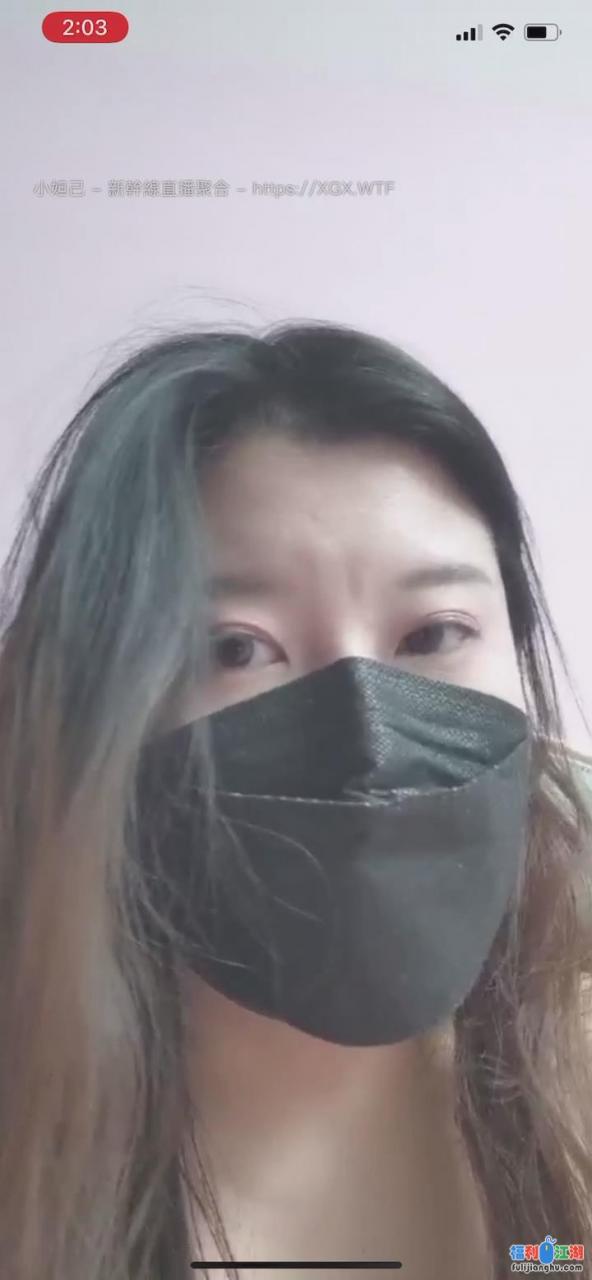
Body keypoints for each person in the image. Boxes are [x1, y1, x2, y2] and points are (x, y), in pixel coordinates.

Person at [0, 321, 591, 1280]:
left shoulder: (563, 1145)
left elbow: (554, 1260)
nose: (366, 737)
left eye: (435, 632)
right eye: (235, 647)